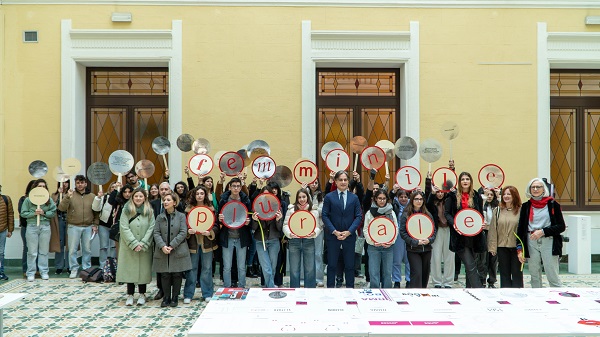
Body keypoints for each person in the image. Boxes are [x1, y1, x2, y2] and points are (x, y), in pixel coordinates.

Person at [516, 178, 566, 288]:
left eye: (538, 187)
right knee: (534, 274)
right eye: (533, 187)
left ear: (543, 189)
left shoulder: (553, 204)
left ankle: (558, 299)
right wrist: (519, 249)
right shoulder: (526, 206)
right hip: (531, 241)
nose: (535, 189)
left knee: (551, 273)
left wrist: (543, 232)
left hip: (549, 241)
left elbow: (561, 226)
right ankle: (537, 299)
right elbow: (521, 229)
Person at [322, 170, 362, 289]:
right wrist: (334, 231)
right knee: (332, 265)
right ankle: (330, 290)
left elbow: (359, 216)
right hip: (333, 236)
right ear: (336, 181)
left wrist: (349, 231)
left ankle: (350, 291)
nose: (343, 182)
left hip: (349, 236)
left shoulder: (354, 198)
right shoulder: (329, 197)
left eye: (345, 180)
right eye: (340, 180)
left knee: (350, 266)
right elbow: (325, 215)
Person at [445, 171, 485, 288]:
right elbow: (447, 213)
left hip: (474, 236)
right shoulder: (452, 196)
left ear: (471, 181)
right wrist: (455, 224)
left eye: (467, 179)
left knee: (471, 266)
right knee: (470, 264)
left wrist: (481, 223)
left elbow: (480, 214)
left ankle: (469, 291)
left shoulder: (476, 196)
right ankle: (479, 290)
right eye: (463, 179)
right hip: (459, 237)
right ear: (459, 182)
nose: (465, 181)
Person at [117, 188, 155, 306]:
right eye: (136, 196)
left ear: (144, 198)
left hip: (144, 246)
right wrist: (133, 243)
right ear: (132, 198)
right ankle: (130, 294)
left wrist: (143, 243)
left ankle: (142, 294)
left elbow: (151, 227)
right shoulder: (126, 210)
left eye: (141, 196)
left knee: (143, 271)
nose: (138, 198)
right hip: (129, 246)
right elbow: (124, 227)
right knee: (130, 271)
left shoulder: (149, 211)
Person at [153, 192, 192, 307]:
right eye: (164, 200)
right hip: (163, 250)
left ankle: (175, 297)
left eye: (168, 200)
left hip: (177, 249)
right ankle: (166, 297)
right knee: (164, 275)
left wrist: (172, 245)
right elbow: (156, 232)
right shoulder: (159, 217)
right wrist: (162, 246)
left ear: (174, 203)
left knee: (176, 274)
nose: (165, 202)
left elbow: (183, 232)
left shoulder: (181, 216)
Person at [58, 175, 99, 279]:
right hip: (73, 226)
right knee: (72, 249)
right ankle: (74, 268)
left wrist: (95, 224)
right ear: (75, 184)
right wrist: (67, 196)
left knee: (87, 249)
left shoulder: (92, 196)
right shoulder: (70, 195)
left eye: (82, 183)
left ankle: (86, 268)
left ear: (85, 183)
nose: (80, 185)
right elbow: (61, 208)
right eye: (78, 183)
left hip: (88, 226)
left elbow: (96, 212)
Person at [184, 185, 218, 303]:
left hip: (206, 243)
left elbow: (216, 225)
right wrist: (188, 232)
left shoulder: (211, 208)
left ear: (205, 195)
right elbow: (184, 225)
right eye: (197, 193)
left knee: (207, 269)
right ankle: (188, 294)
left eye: (202, 193)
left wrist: (210, 232)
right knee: (192, 269)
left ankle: (207, 293)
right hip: (193, 244)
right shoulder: (188, 209)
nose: (199, 196)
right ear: (194, 195)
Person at [283, 188, 322, 288]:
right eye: (299, 197)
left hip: (308, 241)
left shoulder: (313, 211)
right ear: (297, 199)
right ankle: (294, 291)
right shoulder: (291, 210)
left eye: (304, 197)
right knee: (294, 269)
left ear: (307, 197)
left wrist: (314, 233)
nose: (302, 199)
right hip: (294, 242)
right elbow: (285, 225)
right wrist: (289, 233)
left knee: (310, 269)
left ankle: (310, 291)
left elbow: (318, 227)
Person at [218, 177, 251, 288]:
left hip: (241, 237)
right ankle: (227, 287)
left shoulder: (245, 200)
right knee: (227, 266)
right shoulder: (224, 200)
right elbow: (218, 217)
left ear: (241, 188)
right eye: (234, 186)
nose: (236, 188)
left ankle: (242, 286)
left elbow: (250, 217)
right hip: (227, 237)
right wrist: (219, 218)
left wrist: (248, 222)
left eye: (238, 186)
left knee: (241, 266)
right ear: (229, 187)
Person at [20, 179, 56, 281]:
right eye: (40, 186)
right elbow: (23, 213)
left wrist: (44, 213)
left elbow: (53, 212)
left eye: (44, 186)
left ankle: (44, 271)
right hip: (32, 226)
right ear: (35, 187)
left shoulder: (49, 200)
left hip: (45, 226)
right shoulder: (28, 200)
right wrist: (34, 213)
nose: (42, 188)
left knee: (43, 251)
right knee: (32, 251)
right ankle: (30, 272)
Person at [488, 186, 523, 288]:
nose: (506, 196)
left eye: (509, 194)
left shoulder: (521, 210)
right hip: (502, 246)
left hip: (517, 247)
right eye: (504, 194)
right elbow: (493, 230)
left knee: (517, 273)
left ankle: (518, 295)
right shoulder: (498, 210)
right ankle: (506, 295)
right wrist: (492, 247)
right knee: (504, 273)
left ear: (514, 196)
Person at [399, 191, 436, 288]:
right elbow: (403, 232)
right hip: (413, 249)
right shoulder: (406, 214)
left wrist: (430, 240)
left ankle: (423, 293)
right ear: (412, 200)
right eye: (416, 199)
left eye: (420, 199)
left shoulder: (427, 214)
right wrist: (415, 242)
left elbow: (434, 230)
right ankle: (416, 294)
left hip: (427, 249)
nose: (419, 201)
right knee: (417, 273)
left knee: (425, 274)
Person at [363, 190, 397, 288]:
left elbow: (395, 228)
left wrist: (391, 241)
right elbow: (366, 229)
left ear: (387, 199)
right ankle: (375, 293)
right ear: (375, 199)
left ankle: (387, 292)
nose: (382, 201)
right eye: (379, 198)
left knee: (387, 272)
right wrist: (372, 241)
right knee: (374, 272)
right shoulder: (370, 213)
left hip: (388, 247)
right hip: (374, 247)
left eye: (383, 198)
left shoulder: (391, 212)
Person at [251, 186, 284, 288]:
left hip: (274, 240)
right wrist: (255, 220)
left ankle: (267, 286)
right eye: (263, 195)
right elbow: (253, 228)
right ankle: (270, 287)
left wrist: (279, 219)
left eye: (268, 195)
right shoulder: (256, 207)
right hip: (261, 241)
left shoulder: (278, 207)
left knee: (273, 267)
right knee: (266, 267)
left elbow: (280, 228)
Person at [425, 173, 454, 288]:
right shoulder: (432, 202)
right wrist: (429, 182)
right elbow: (427, 206)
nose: (440, 194)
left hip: (448, 230)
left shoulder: (449, 200)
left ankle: (448, 282)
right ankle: (436, 281)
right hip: (437, 231)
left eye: (442, 191)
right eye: (438, 192)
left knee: (449, 257)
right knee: (436, 257)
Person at [92, 182, 117, 268]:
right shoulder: (105, 197)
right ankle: (102, 266)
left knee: (114, 247)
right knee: (104, 247)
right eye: (112, 187)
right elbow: (95, 208)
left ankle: (113, 266)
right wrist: (98, 197)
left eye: (116, 187)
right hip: (104, 225)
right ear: (110, 188)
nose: (114, 188)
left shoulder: (121, 198)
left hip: (115, 226)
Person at [479, 188, 500, 288]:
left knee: (493, 258)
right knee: (483, 259)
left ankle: (491, 280)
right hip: (484, 233)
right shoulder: (481, 206)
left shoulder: (497, 207)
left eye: (491, 195)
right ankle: (482, 279)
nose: (489, 196)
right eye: (488, 194)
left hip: (494, 234)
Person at [390, 188, 410, 288]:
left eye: (405, 197)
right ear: (397, 198)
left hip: (409, 235)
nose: (403, 199)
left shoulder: (412, 207)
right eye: (401, 197)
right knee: (396, 260)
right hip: (398, 236)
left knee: (408, 259)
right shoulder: (394, 205)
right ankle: (397, 280)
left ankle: (409, 280)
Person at [308, 179, 325, 287]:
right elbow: (302, 207)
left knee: (318, 254)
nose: (313, 184)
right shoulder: (304, 193)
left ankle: (319, 278)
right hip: (306, 228)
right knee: (307, 253)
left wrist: (312, 209)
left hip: (319, 228)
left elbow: (322, 211)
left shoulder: (321, 196)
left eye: (316, 183)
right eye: (312, 182)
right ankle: (307, 277)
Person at [51, 180, 70, 274]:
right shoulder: (54, 195)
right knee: (59, 243)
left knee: (70, 244)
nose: (64, 184)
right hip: (58, 221)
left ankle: (69, 266)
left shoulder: (71, 194)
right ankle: (59, 266)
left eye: (66, 182)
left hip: (69, 221)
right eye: (63, 182)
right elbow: (53, 207)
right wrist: (59, 194)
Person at [18, 180, 36, 276]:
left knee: (36, 249)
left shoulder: (42, 199)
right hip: (26, 226)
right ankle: (26, 269)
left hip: (37, 226)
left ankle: (35, 268)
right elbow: (22, 212)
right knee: (27, 248)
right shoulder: (24, 199)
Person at [0, 184, 14, 281]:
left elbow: (10, 214)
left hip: (3, 229)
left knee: (1, 252)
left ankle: (1, 272)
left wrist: (10, 230)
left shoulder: (6, 199)